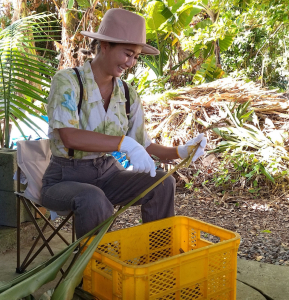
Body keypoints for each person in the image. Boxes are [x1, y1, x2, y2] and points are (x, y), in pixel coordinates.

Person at [41, 8, 207, 239]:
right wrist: (124, 144)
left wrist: (181, 151)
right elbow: (70, 136)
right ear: (106, 45)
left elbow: (142, 145)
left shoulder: (127, 94)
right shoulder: (68, 81)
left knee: (162, 183)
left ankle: (158, 260)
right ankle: (93, 270)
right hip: (65, 178)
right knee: (93, 199)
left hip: (107, 174)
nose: (131, 63)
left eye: (136, 57)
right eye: (127, 54)